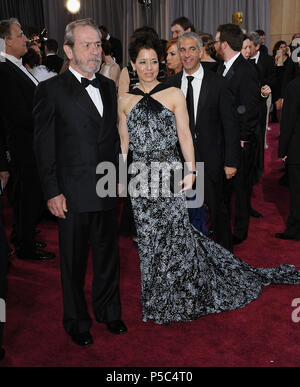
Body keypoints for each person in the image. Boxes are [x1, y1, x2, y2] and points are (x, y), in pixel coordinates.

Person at [117, 34, 300, 325]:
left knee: (177, 236)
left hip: (171, 174)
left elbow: (185, 135)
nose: (149, 67)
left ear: (161, 63)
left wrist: (190, 171)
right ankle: (155, 296)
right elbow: (124, 143)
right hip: (141, 181)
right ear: (133, 64)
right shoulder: (124, 99)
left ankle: (182, 291)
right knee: (150, 241)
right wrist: (121, 179)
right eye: (143, 62)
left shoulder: (173, 93)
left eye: (154, 61)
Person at [34, 18, 127, 347]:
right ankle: (76, 320)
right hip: (70, 193)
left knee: (108, 254)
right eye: (87, 45)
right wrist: (51, 191)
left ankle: (109, 311)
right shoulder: (51, 90)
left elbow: (113, 138)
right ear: (69, 51)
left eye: (98, 44)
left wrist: (117, 176)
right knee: (73, 263)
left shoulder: (108, 86)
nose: (95, 51)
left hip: (104, 186)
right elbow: (43, 146)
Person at [166, 32, 240, 251]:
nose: (187, 54)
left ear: (200, 52)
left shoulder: (218, 83)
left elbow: (230, 124)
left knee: (218, 210)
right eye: (182, 50)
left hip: (212, 159)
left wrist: (231, 161)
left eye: (191, 49)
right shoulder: (169, 85)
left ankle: (226, 259)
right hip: (179, 161)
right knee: (182, 213)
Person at [0, 18, 55, 261]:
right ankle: (25, 245)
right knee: (28, 195)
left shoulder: (16, 66)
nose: (26, 38)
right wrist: (48, 118)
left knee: (29, 194)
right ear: (6, 41)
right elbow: (16, 113)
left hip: (31, 141)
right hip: (24, 144)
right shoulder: (3, 69)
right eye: (20, 34)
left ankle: (24, 236)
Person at [215, 24, 261, 246]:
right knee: (225, 190)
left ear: (224, 43)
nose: (214, 45)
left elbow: (251, 109)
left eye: (216, 41)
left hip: (240, 142)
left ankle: (240, 232)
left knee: (241, 190)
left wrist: (242, 139)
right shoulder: (220, 68)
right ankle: (222, 228)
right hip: (223, 139)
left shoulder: (246, 70)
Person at [276, 75, 300, 241]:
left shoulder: (294, 85)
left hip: (297, 148)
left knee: (297, 193)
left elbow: (288, 120)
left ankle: (295, 231)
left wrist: (282, 149)